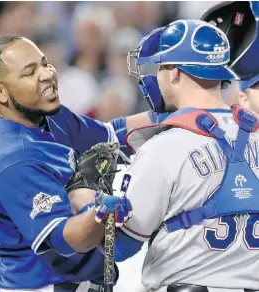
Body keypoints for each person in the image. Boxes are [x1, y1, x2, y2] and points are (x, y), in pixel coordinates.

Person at [0, 35, 164, 292]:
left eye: (44, 63)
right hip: (45, 285)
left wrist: (174, 117)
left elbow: (110, 133)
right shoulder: (13, 158)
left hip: (72, 277)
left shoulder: (37, 112)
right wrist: (99, 214)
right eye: (29, 73)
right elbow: (66, 238)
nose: (47, 74)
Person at [111, 19, 259, 292]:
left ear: (175, 73)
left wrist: (83, 204)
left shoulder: (164, 147)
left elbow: (119, 246)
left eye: (160, 67)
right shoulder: (255, 134)